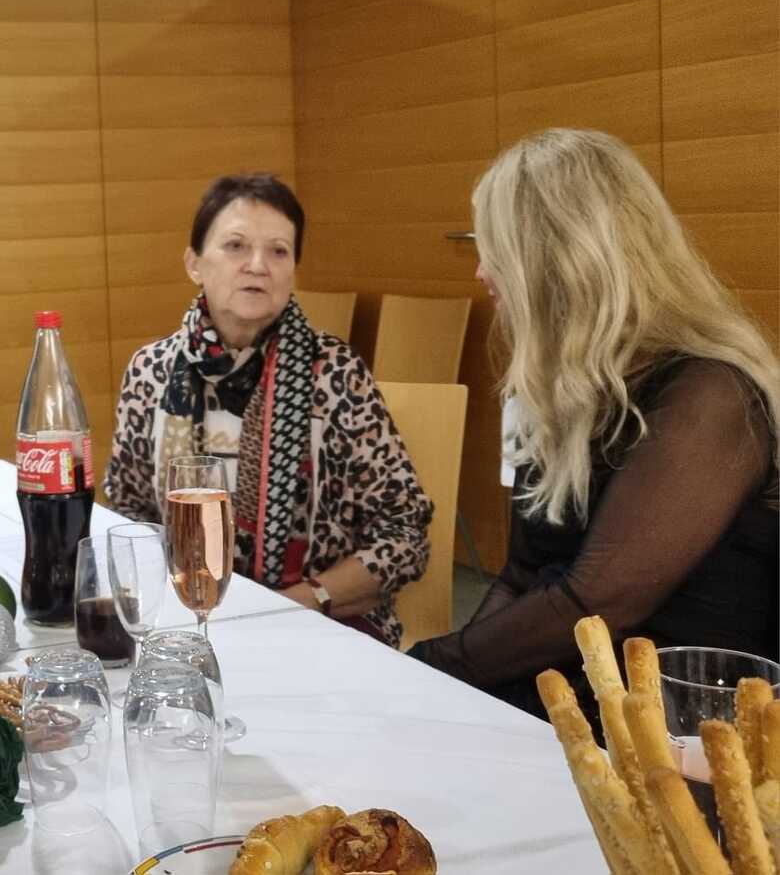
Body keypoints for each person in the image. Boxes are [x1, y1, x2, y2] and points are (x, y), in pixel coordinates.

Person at [410, 129, 780, 719]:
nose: (481, 271)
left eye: (496, 248)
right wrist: (448, 691)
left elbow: (601, 601)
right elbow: (520, 576)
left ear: (555, 257)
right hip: (572, 699)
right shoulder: (561, 387)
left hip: (675, 730)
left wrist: (430, 665)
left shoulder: (712, 391)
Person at [104, 173, 432, 647]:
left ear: (293, 269)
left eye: (278, 251)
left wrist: (303, 601)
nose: (258, 265)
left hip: (317, 621)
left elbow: (404, 534)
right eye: (235, 246)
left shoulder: (336, 374)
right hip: (183, 613)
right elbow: (129, 515)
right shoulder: (150, 371)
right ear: (194, 263)